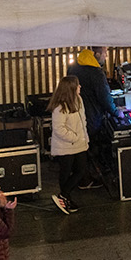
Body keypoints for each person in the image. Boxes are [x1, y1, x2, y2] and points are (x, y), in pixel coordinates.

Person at [47, 75, 89, 214]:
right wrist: (75, 137)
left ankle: (64, 196)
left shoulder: (79, 100)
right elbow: (59, 129)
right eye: (77, 85)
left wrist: (83, 137)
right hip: (65, 146)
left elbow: (82, 120)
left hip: (79, 144)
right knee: (65, 172)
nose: (80, 87)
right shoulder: (60, 107)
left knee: (80, 170)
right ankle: (65, 197)